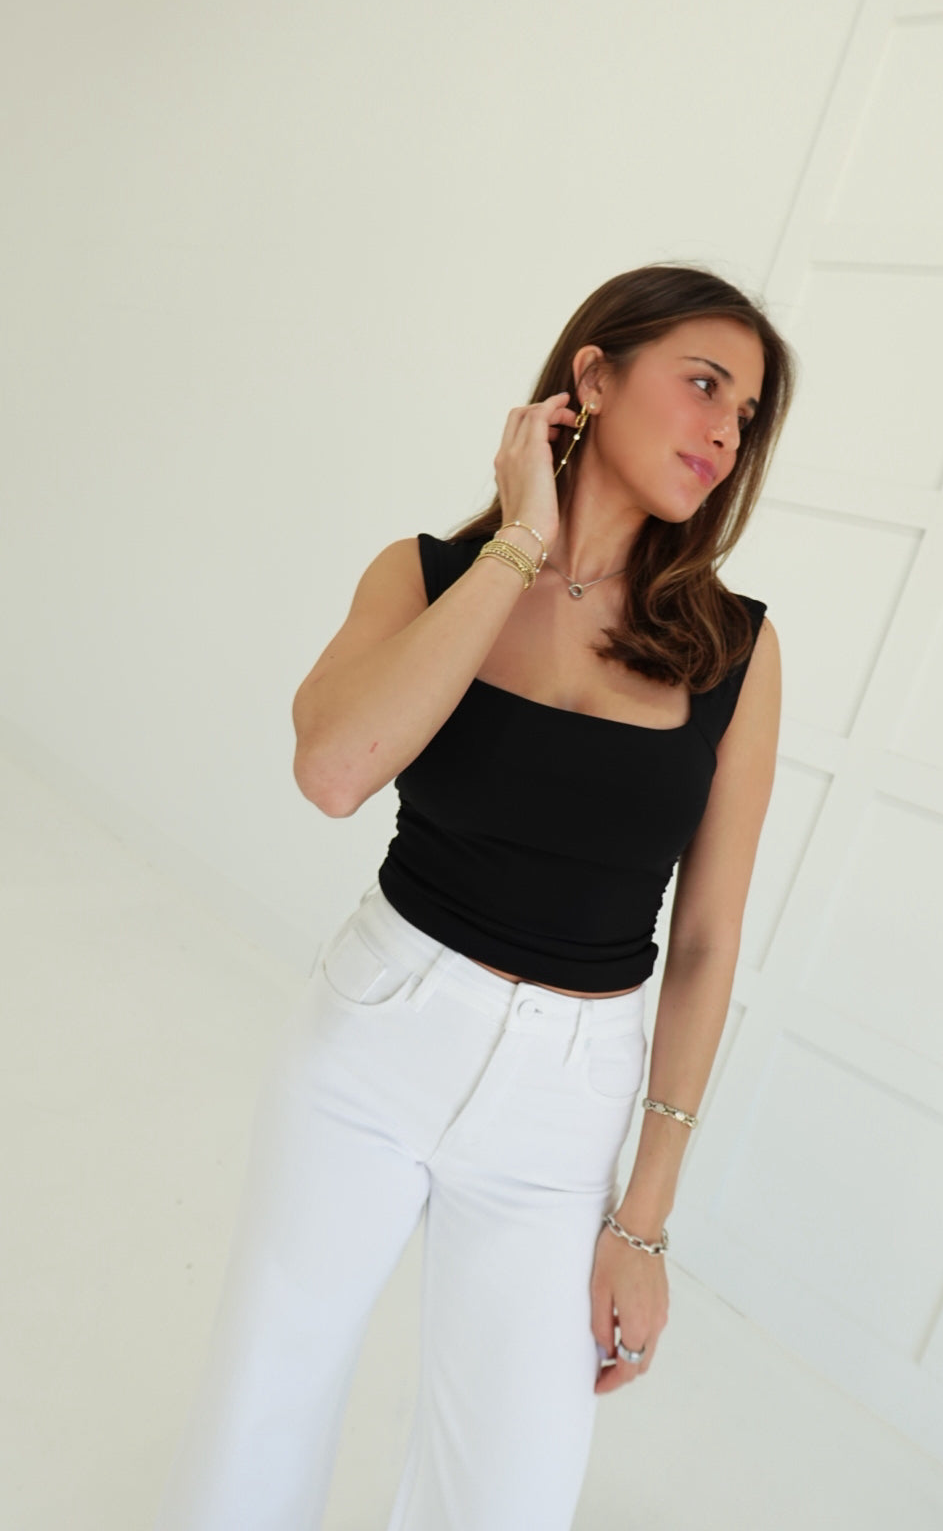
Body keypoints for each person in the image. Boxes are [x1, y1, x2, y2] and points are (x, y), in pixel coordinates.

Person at [153, 263, 793, 1531]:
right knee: (266, 1397)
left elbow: (708, 941)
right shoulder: (430, 575)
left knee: (510, 1485)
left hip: (569, 1097)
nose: (726, 432)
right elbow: (334, 769)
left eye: (748, 413)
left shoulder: (734, 649)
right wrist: (519, 543)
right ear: (593, 376)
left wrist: (645, 1219)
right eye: (704, 384)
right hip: (375, 1034)